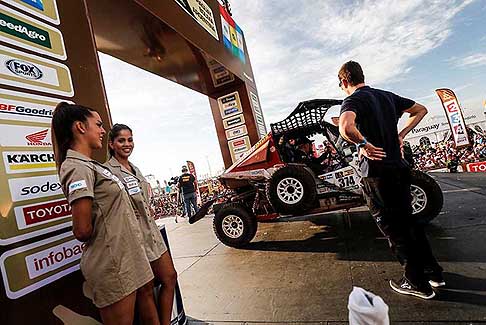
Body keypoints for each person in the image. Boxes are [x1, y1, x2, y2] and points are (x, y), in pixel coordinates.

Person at [337, 61, 443, 299]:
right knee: (410, 223)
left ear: (344, 82)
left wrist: (363, 144)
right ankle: (434, 273)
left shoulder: (352, 100)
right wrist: (401, 134)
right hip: (399, 168)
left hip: (377, 175)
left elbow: (345, 127)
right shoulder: (387, 96)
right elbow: (421, 109)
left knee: (394, 229)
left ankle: (416, 282)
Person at [51, 103, 154, 325]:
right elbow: (82, 229)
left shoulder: (93, 166)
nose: (102, 130)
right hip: (112, 263)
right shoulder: (77, 167)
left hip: (127, 258)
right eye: (98, 124)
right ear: (80, 127)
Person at [106, 124, 178, 325]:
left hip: (151, 233)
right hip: (134, 238)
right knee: (145, 290)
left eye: (130, 140)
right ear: (111, 144)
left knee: (170, 277)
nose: (127, 144)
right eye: (121, 140)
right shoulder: (109, 171)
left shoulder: (135, 168)